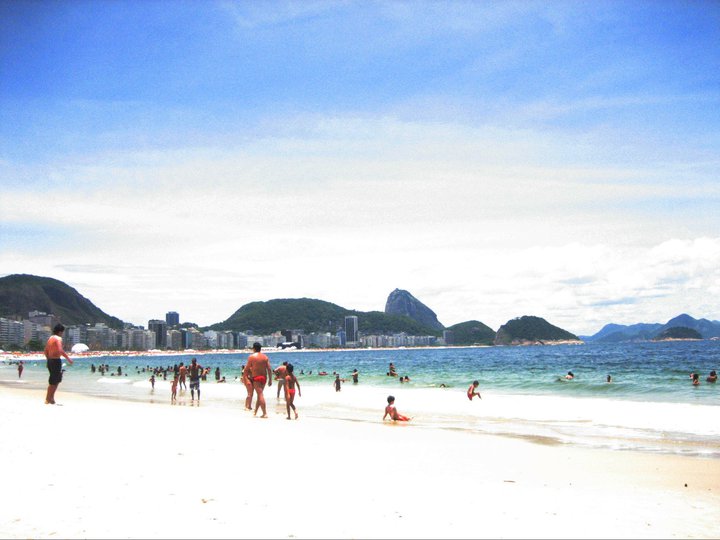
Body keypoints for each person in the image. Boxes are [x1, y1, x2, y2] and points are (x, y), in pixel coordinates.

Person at [43, 323, 74, 405]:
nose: (62, 334)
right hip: (56, 361)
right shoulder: (58, 339)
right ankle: (47, 399)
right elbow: (60, 350)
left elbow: (45, 351)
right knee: (54, 381)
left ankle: (51, 398)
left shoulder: (50, 338)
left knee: (55, 380)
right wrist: (68, 359)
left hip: (50, 360)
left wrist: (48, 360)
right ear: (60, 332)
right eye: (62, 332)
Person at [245, 343, 272, 417]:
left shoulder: (252, 357)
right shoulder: (265, 357)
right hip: (264, 378)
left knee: (260, 395)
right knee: (259, 395)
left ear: (254, 348)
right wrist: (270, 379)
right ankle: (255, 412)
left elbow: (246, 369)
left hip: (256, 378)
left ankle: (264, 413)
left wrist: (245, 378)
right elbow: (269, 369)